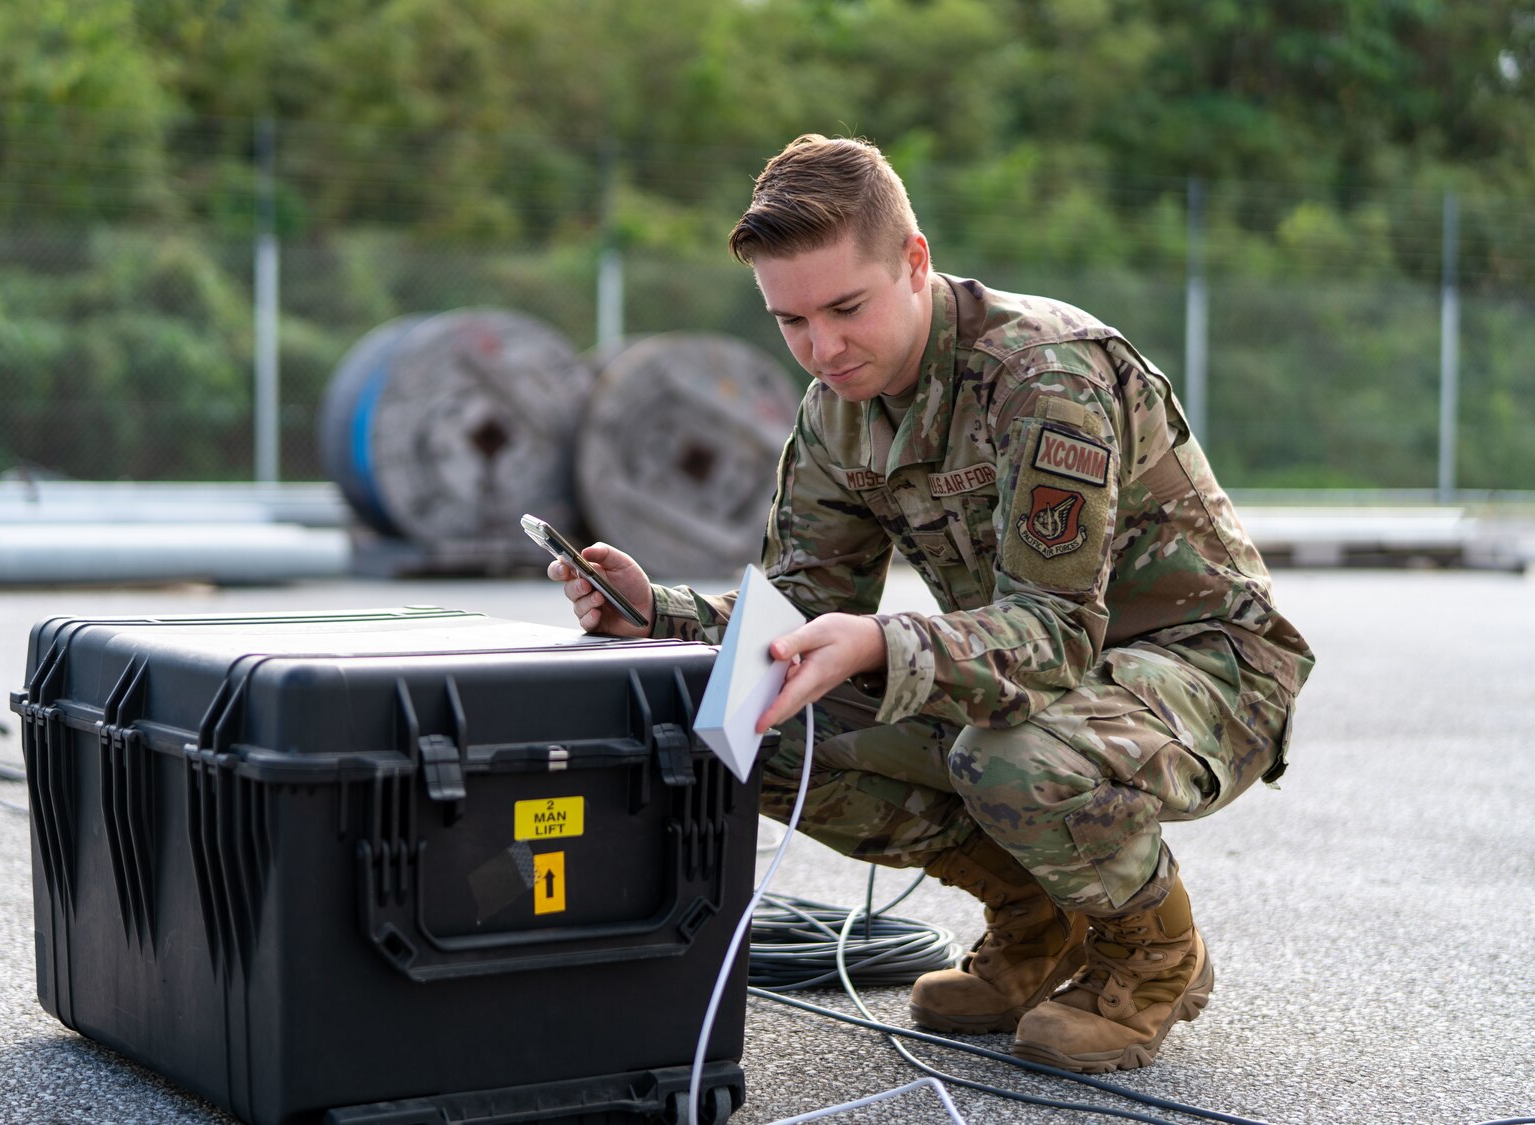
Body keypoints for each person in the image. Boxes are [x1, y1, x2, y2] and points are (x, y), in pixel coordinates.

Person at [550, 134, 1312, 1073]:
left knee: (1010, 754)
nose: (821, 348)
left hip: (1207, 667)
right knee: (757, 722)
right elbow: (796, 619)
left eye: (846, 307)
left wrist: (879, 642)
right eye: (789, 321)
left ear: (915, 262)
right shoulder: (837, 404)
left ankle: (1150, 953)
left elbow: (1057, 632)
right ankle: (1040, 918)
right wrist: (659, 613)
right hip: (1048, 672)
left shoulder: (1046, 375)